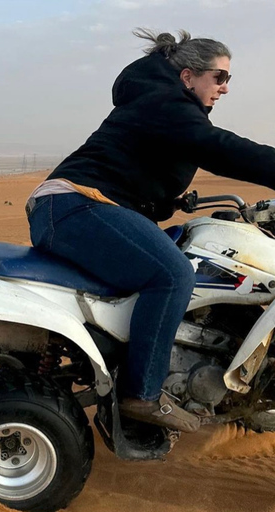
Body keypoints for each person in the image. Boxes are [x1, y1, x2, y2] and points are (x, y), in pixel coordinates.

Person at [25, 29, 275, 433]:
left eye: (230, 79)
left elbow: (135, 164)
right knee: (172, 274)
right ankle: (142, 395)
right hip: (75, 204)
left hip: (77, 205)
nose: (226, 88)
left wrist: (167, 202)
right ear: (188, 76)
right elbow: (220, 148)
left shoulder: (159, 100)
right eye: (220, 77)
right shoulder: (168, 104)